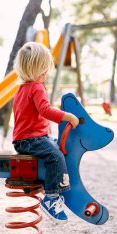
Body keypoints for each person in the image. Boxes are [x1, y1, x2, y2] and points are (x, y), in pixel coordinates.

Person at [12, 42, 79, 223]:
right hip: (31, 140)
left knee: (54, 146)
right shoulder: (36, 87)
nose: (46, 73)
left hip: (23, 140)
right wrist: (68, 116)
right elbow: (45, 110)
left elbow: (35, 111)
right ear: (35, 69)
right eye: (44, 69)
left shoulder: (21, 89)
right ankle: (51, 197)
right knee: (55, 156)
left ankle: (49, 184)